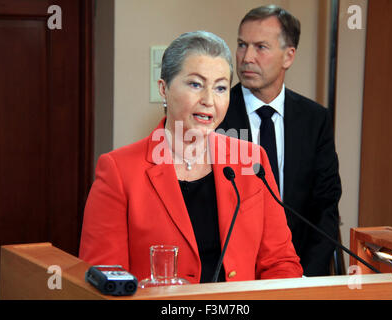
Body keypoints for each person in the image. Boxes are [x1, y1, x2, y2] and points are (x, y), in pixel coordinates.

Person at [79, 30, 302, 283]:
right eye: (196, 84)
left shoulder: (251, 160)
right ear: (164, 88)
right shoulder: (119, 171)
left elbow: (280, 263)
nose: (209, 100)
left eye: (220, 88)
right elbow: (105, 279)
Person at [218, 5, 342, 276]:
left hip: (302, 271)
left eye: (260, 47)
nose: (247, 57)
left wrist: (303, 280)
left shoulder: (315, 119)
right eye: (242, 45)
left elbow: (325, 209)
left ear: (288, 56)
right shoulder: (215, 114)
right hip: (234, 276)